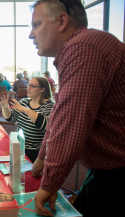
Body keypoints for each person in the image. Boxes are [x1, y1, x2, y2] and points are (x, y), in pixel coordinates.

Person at [28, 1, 125, 216]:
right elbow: (59, 114)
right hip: (105, 170)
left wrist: (49, 184)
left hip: (117, 172)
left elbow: (71, 125)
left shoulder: (83, 47)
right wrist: (42, 156)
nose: (31, 35)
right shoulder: (80, 47)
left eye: (36, 25)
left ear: (62, 21)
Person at [0, 77, 54, 163]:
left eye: (32, 86)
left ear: (42, 89)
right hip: (19, 146)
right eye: (29, 85)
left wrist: (25, 110)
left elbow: (45, 126)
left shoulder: (49, 105)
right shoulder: (24, 102)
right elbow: (10, 118)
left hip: (35, 152)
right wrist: (4, 107)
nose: (28, 88)